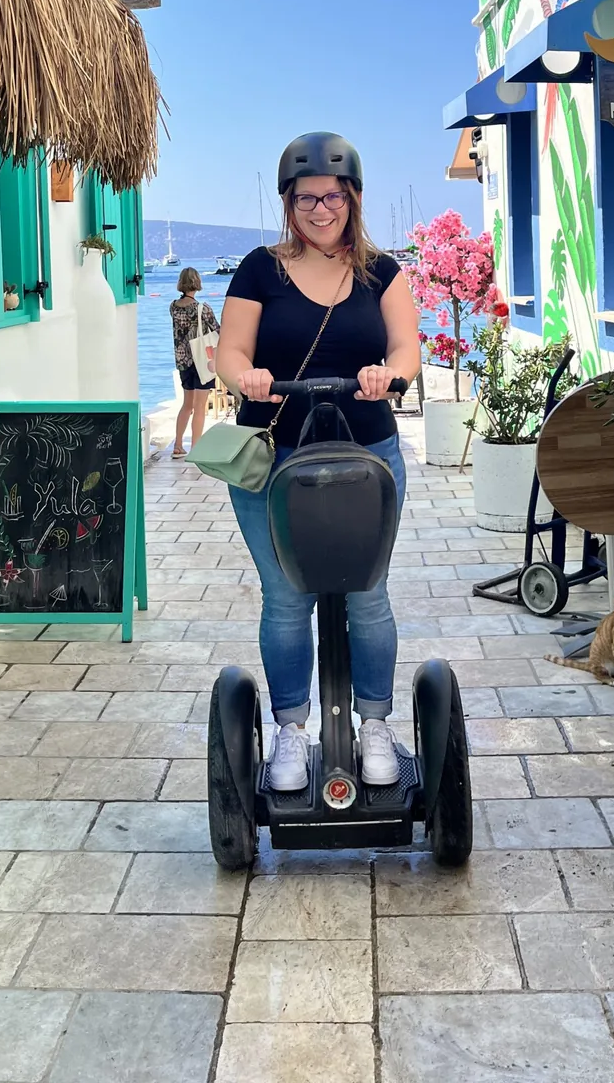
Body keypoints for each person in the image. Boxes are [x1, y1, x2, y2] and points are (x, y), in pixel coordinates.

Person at [215, 132, 421, 791]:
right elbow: (230, 353)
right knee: (284, 598)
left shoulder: (382, 272)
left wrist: (384, 376)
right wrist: (246, 379)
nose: (320, 208)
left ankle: (377, 724)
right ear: (288, 201)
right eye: (306, 197)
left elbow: (408, 352)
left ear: (353, 199)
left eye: (332, 196)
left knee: (367, 596)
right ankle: (291, 732)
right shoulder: (258, 268)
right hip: (271, 455)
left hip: (367, 452)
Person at [170, 268, 219, 459]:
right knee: (200, 407)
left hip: (182, 361)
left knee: (187, 405)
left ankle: (178, 444)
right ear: (197, 282)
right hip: (201, 361)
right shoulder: (202, 308)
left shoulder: (173, 306)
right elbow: (217, 330)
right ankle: (195, 447)